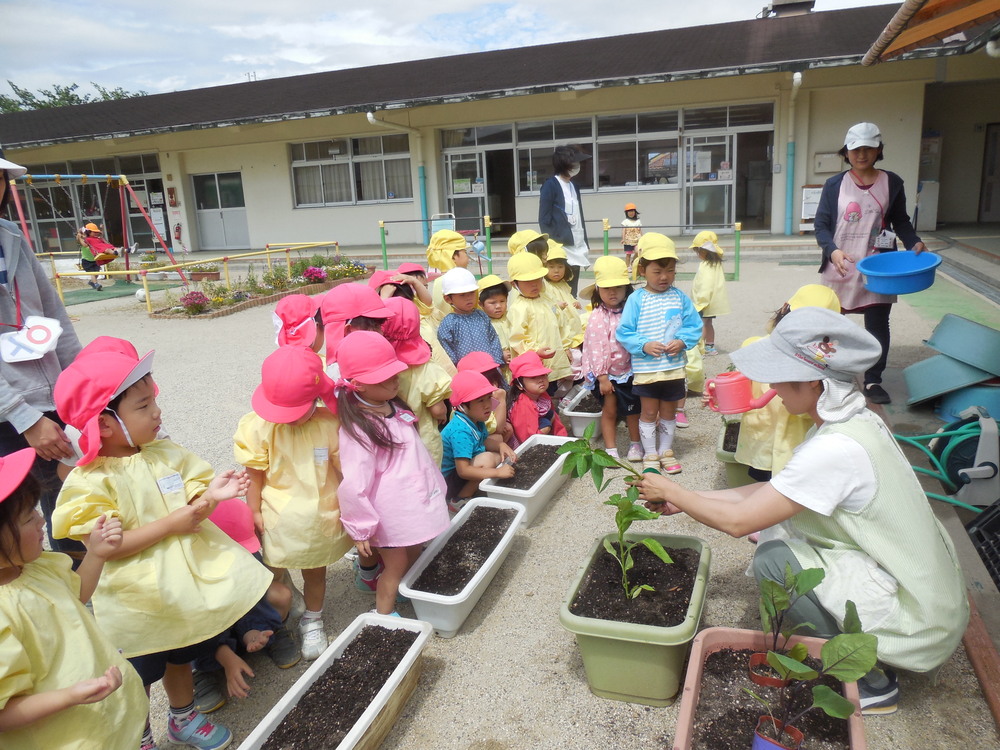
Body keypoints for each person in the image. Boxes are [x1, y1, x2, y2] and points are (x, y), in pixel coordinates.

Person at [639, 307, 969, 715]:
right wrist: (685, 498)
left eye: (779, 375)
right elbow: (776, 491)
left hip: (919, 617)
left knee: (775, 560)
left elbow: (741, 522)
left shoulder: (835, 448)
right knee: (781, 534)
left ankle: (863, 680)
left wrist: (669, 486)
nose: (774, 386)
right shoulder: (851, 418)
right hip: (922, 586)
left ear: (813, 381)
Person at [50, 341, 273, 750]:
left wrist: (212, 497)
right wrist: (171, 524)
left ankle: (183, 717)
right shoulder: (90, 481)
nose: (157, 413)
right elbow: (109, 547)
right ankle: (140, 733)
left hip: (179, 585)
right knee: (140, 669)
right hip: (137, 599)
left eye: (154, 401)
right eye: (142, 406)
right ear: (104, 423)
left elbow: (192, 508)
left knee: (179, 652)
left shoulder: (163, 454)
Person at [0, 447, 148, 749]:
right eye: (29, 518)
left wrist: (95, 553)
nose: (42, 522)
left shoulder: (34, 566)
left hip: (103, 715)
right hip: (65, 737)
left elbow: (75, 594)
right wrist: (69, 696)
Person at [234, 346, 353, 662]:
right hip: (276, 516)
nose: (290, 418)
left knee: (316, 570)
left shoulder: (329, 424)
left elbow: (344, 471)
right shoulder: (260, 427)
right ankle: (281, 619)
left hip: (318, 516)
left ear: (316, 396)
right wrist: (254, 510)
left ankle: (313, 617)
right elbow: (255, 473)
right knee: (273, 572)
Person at [0, 150, 85, 564]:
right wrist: (26, 419)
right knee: (16, 520)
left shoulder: (11, 235)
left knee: (71, 505)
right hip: (8, 416)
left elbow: (55, 317)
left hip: (54, 400)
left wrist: (84, 388)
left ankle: (81, 597)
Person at [334, 331, 450, 616]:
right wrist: (360, 525)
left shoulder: (392, 405)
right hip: (392, 513)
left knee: (413, 553)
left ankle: (399, 594)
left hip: (411, 501)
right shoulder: (360, 427)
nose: (394, 380)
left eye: (394, 373)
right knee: (395, 566)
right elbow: (354, 482)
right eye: (384, 378)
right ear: (358, 385)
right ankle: (384, 616)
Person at [814, 122, 925, 405]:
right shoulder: (834, 185)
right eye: (855, 149)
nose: (861, 154)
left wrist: (913, 242)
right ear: (846, 152)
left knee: (877, 324)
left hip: (878, 265)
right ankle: (827, 372)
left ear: (878, 150)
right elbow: (822, 225)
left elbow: (901, 220)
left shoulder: (893, 183)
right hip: (841, 263)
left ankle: (873, 378)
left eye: (868, 148)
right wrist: (832, 251)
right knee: (830, 323)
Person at [191, 498, 298, 714]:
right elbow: (199, 623)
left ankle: (269, 633)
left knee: (278, 595)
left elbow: (252, 595)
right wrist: (224, 656)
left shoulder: (246, 555)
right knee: (182, 642)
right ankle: (202, 670)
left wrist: (252, 631)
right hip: (206, 631)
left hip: (240, 614)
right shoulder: (194, 575)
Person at [734, 284, 842, 484]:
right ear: (784, 309)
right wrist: (719, 394)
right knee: (764, 488)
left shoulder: (821, 366)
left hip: (797, 445)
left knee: (793, 488)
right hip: (763, 442)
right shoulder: (753, 347)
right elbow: (736, 389)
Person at [616, 233, 702, 474]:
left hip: (673, 368)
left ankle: (666, 451)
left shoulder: (680, 297)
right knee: (649, 411)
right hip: (647, 369)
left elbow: (694, 325)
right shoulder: (636, 299)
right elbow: (625, 331)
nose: (664, 277)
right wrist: (643, 345)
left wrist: (683, 341)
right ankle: (650, 453)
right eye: (657, 271)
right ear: (642, 270)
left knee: (669, 411)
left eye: (670, 271)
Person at [579, 256, 641, 462]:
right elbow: (595, 348)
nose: (612, 293)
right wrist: (602, 377)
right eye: (606, 289)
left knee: (634, 409)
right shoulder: (598, 315)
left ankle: (635, 443)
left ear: (626, 288)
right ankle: (611, 448)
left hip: (630, 371)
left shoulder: (631, 311)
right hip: (608, 374)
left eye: (617, 287)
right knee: (610, 410)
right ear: (598, 290)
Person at [381, 297, 452, 465]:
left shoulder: (381, 362)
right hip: (423, 441)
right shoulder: (425, 367)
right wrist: (442, 413)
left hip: (390, 439)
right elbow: (436, 409)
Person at [440, 370, 517, 512]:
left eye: (488, 398)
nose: (487, 405)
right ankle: (458, 500)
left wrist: (501, 445)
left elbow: (484, 440)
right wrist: (497, 473)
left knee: (496, 456)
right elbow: (463, 471)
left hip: (460, 471)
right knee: (488, 459)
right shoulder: (460, 431)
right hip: (449, 480)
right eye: (480, 401)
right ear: (463, 405)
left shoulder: (475, 419)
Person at [506, 253, 572, 389]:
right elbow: (517, 339)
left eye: (538, 280)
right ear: (514, 284)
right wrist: (535, 352)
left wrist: (566, 346)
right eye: (527, 281)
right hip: (532, 367)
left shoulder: (546, 300)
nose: (534, 285)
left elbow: (560, 323)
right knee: (534, 396)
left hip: (554, 359)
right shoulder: (519, 308)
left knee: (552, 391)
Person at [538, 144, 592, 296]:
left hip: (577, 242)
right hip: (561, 245)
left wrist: (585, 242)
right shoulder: (550, 185)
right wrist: (551, 245)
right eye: (574, 163)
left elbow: (579, 216)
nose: (578, 166)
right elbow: (544, 218)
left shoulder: (574, 185)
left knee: (572, 289)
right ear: (565, 164)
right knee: (559, 290)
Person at [436, 267, 505, 368]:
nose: (468, 298)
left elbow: (493, 340)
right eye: (462, 295)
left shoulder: (481, 316)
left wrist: (497, 362)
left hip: (491, 368)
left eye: (472, 293)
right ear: (448, 299)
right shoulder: (448, 323)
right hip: (467, 373)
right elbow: (448, 350)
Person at [507, 351, 568, 447]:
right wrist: (546, 428)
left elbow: (555, 420)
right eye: (533, 377)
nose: (540, 380)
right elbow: (529, 440)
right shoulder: (522, 404)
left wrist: (564, 441)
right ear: (519, 385)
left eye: (543, 375)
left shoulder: (542, 394)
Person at [456, 351, 513, 446]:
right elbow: (498, 428)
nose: (494, 386)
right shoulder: (474, 405)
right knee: (498, 437)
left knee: (507, 429)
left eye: (494, 381)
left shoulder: (479, 400)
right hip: (469, 446)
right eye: (488, 382)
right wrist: (501, 399)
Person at [689, 230, 730, 357]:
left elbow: (705, 285)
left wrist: (701, 300)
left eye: (698, 251)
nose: (697, 254)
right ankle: (710, 346)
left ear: (704, 251)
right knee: (708, 323)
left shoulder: (706, 265)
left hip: (704, 301)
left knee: (701, 324)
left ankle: (701, 347)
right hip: (712, 300)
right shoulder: (715, 264)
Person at [478, 274, 513, 374]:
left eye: (502, 301)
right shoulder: (482, 323)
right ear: (481, 304)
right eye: (492, 303)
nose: (498, 306)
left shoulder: (511, 317)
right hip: (497, 370)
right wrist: (499, 355)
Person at [76, 223, 123, 291]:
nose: (84, 236)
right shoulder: (84, 241)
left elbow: (100, 236)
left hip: (95, 259)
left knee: (97, 272)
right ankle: (96, 284)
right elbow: (82, 243)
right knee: (92, 272)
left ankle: (92, 282)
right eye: (83, 235)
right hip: (87, 260)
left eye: (84, 234)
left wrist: (102, 229)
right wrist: (80, 237)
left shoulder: (92, 240)